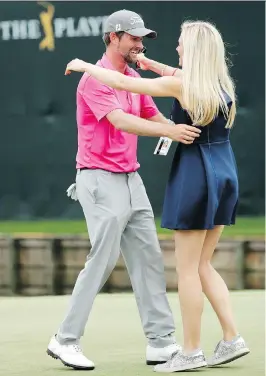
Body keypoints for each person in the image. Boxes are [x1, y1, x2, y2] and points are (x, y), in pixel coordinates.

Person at [64, 20, 250, 372]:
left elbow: (121, 81)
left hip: (197, 175)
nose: (177, 49)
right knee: (203, 264)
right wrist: (150, 65)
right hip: (225, 172)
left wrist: (84, 66)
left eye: (181, 44)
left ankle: (191, 351)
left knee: (188, 271)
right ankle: (231, 338)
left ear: (193, 51)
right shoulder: (218, 84)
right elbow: (174, 74)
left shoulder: (181, 85)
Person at [47, 10, 202, 371]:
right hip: (98, 179)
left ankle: (161, 343)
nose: (139, 44)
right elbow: (119, 120)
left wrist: (181, 129)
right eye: (132, 37)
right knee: (101, 259)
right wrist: (169, 132)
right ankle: (65, 340)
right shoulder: (94, 80)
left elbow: (152, 115)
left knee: (148, 259)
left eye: (142, 38)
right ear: (113, 38)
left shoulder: (131, 77)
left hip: (131, 180)